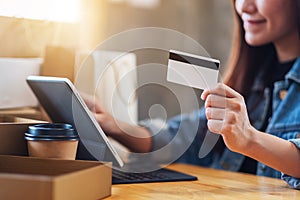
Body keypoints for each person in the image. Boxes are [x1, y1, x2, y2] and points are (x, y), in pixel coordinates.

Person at [83, 0, 300, 189]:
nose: (244, 6)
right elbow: (186, 136)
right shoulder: (254, 75)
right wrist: (113, 125)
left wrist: (249, 139)